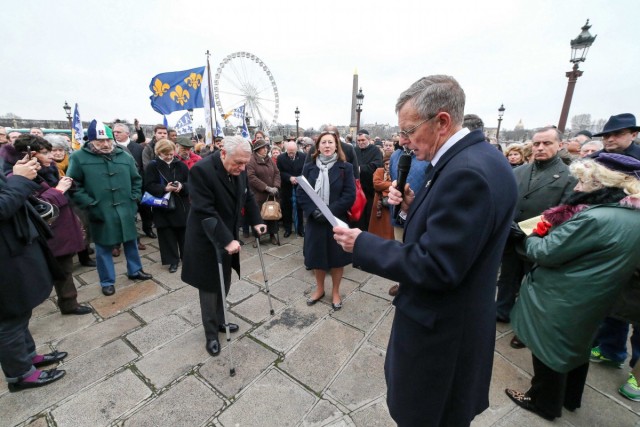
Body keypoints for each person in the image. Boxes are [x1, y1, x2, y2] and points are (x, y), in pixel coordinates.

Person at [333, 75, 517, 426]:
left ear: (442, 122)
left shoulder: (468, 173)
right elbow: (455, 235)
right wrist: (409, 208)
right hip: (454, 325)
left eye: (408, 131)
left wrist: (363, 243)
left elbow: (438, 265)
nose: (403, 141)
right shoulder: (479, 160)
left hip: (442, 338)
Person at [506, 153, 640, 421]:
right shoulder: (631, 215)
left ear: (603, 182)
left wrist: (526, 236)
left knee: (548, 351)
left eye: (582, 181)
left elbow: (546, 252)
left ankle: (542, 402)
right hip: (594, 295)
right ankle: (570, 398)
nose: (577, 187)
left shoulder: (595, 218)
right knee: (576, 348)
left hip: (564, 294)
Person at [181, 136, 266, 357]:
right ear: (223, 153)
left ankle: (221, 320)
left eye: (245, 163)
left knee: (224, 282)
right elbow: (205, 209)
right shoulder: (202, 171)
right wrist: (227, 240)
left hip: (229, 235)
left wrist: (257, 220)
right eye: (238, 162)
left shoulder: (241, 167)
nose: (242, 167)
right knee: (209, 287)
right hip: (206, 238)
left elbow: (247, 197)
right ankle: (211, 334)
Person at [495, 127, 576, 347]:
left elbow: (564, 212)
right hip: (511, 238)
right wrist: (507, 224)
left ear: (560, 145)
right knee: (507, 278)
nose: (540, 148)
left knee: (532, 287)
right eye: (536, 143)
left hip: (540, 242)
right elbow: (505, 199)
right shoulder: (519, 171)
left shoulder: (569, 177)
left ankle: (525, 328)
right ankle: (501, 310)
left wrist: (526, 230)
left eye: (547, 143)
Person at [0, 156, 68, 391]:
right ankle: (20, 375)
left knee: (20, 310)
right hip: (5, 255)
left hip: (13, 248)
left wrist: (18, 175)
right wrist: (18, 179)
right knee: (8, 319)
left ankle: (28, 356)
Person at [67, 120, 152, 296]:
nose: (105, 144)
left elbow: (136, 179)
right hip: (99, 210)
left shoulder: (124, 156)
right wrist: (90, 203)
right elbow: (74, 185)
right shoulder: (78, 158)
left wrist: (134, 198)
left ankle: (135, 270)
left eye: (108, 139)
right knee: (103, 247)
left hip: (125, 208)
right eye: (100, 141)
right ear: (90, 141)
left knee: (131, 242)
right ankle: (107, 281)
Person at [13, 135, 92, 315]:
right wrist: (59, 190)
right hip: (43, 233)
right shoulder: (17, 177)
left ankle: (69, 303)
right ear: (31, 154)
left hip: (60, 228)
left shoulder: (49, 170)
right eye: (46, 152)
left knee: (65, 269)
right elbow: (34, 205)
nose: (51, 156)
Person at [298, 129, 355, 311]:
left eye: (330, 142)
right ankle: (320, 289)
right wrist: (312, 211)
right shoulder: (309, 167)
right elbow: (302, 192)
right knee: (317, 257)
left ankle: (336, 292)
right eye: (324, 142)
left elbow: (349, 195)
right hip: (315, 221)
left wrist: (329, 211)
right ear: (318, 146)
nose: (327, 145)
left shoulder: (346, 168)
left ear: (336, 145)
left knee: (337, 259)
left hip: (335, 221)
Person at [144, 139, 190, 273]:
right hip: (163, 206)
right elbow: (148, 185)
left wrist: (182, 186)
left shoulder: (181, 165)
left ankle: (186, 257)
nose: (169, 157)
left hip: (181, 205)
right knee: (167, 235)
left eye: (171, 154)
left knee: (184, 234)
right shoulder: (153, 166)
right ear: (159, 152)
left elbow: (190, 183)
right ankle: (172, 261)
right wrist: (165, 188)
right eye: (166, 154)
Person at [247, 139, 281, 246]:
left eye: (266, 147)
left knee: (272, 216)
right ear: (257, 149)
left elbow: (277, 173)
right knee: (258, 217)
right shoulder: (251, 160)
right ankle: (257, 238)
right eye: (263, 148)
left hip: (271, 194)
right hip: (258, 195)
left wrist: (275, 186)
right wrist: (266, 187)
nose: (265, 150)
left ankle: (272, 235)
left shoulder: (269, 160)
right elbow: (251, 177)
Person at [354, 130, 383, 231]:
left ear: (369, 139)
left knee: (368, 216)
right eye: (358, 140)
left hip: (370, 190)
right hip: (357, 189)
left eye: (363, 140)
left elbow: (377, 165)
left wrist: (360, 169)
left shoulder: (375, 150)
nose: (360, 142)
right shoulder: (355, 150)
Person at [277, 140, 306, 238]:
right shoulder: (280, 158)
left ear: (296, 150)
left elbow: (305, 170)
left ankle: (301, 229)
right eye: (289, 152)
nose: (290, 154)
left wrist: (298, 178)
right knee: (286, 209)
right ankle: (288, 229)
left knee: (299, 208)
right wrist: (289, 177)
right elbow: (279, 172)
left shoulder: (303, 157)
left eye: (292, 152)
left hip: (299, 186)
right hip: (286, 187)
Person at [367, 152, 394, 239]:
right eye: (386, 164)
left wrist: (384, 186)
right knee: (377, 227)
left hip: (391, 203)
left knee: (389, 227)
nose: (388, 166)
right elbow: (376, 184)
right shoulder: (379, 171)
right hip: (378, 204)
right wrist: (391, 185)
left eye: (390, 164)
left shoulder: (396, 172)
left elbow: (399, 186)